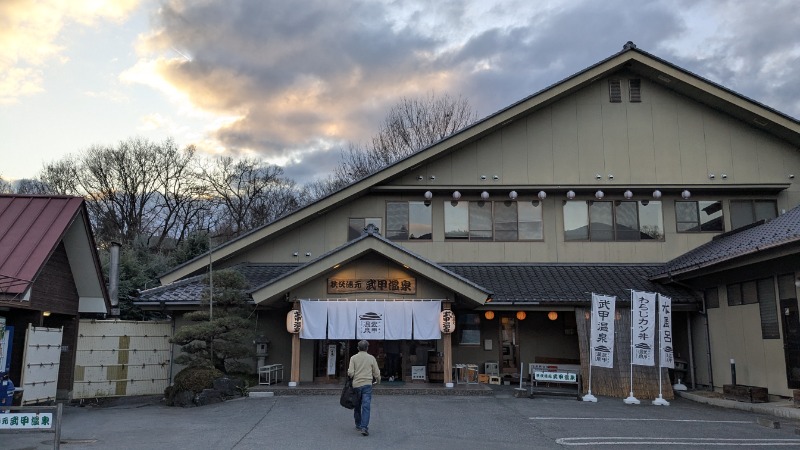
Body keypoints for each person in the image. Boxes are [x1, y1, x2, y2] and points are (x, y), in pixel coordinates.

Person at [347, 339, 380, 436]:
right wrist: (378, 381)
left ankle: (358, 424)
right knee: (366, 406)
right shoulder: (371, 358)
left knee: (357, 406)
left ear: (358, 348)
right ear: (367, 348)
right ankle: (364, 427)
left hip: (356, 385)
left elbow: (350, 373)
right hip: (367, 385)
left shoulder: (353, 358)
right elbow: (376, 373)